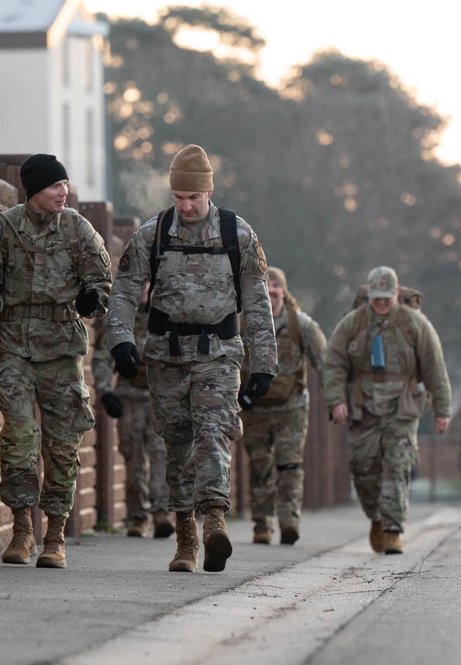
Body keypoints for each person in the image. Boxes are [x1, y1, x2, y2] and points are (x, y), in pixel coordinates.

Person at [105, 144, 277, 573]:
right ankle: (186, 537)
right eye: (179, 198)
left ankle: (215, 520)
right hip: (165, 357)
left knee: (214, 432)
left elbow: (257, 303)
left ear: (208, 193)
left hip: (218, 356)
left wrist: (264, 364)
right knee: (177, 445)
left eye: (193, 198)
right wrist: (121, 339)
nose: (186, 206)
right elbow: (125, 290)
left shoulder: (238, 235)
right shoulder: (153, 234)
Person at [0, 153, 113, 569]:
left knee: (63, 446)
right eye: (54, 186)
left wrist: (93, 298)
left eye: (65, 184)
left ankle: (54, 536)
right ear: (33, 191)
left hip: (63, 352)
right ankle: (20, 531)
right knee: (19, 435)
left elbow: (101, 278)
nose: (63, 192)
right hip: (16, 347)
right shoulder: (4, 228)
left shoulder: (78, 229)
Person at [324, 266, 451, 555]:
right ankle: (377, 517)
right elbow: (334, 365)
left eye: (386, 297)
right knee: (363, 471)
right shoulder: (351, 324)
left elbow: (435, 367)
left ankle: (393, 529)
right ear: (368, 294)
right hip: (363, 408)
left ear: (396, 293)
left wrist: (442, 410)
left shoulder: (415, 324)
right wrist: (336, 401)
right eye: (375, 297)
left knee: (398, 466)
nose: (381, 303)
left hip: (401, 409)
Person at [238, 267, 327, 546]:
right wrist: (235, 393)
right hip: (254, 408)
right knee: (260, 465)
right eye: (265, 284)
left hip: (292, 406)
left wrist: (337, 400)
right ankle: (262, 524)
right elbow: (226, 358)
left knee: (289, 463)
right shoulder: (241, 323)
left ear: (283, 291)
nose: (271, 290)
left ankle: (289, 519)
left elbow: (324, 363)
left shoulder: (302, 325)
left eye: (275, 285)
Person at [91, 300, 174, 539]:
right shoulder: (120, 316)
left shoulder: (169, 309)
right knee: (133, 457)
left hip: (163, 397)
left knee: (162, 455)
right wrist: (106, 391)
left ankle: (162, 513)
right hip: (129, 396)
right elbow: (102, 356)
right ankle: (138, 515)